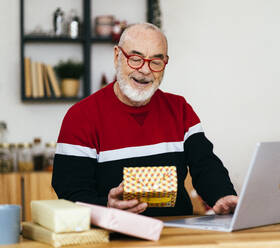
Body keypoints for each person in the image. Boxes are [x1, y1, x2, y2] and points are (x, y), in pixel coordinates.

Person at [52, 23, 238, 216]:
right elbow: (70, 194)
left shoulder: (180, 109)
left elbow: (206, 165)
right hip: (112, 237)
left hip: (177, 234)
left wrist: (222, 195)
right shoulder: (80, 117)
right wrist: (107, 207)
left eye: (156, 62)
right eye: (135, 59)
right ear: (117, 56)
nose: (145, 70)